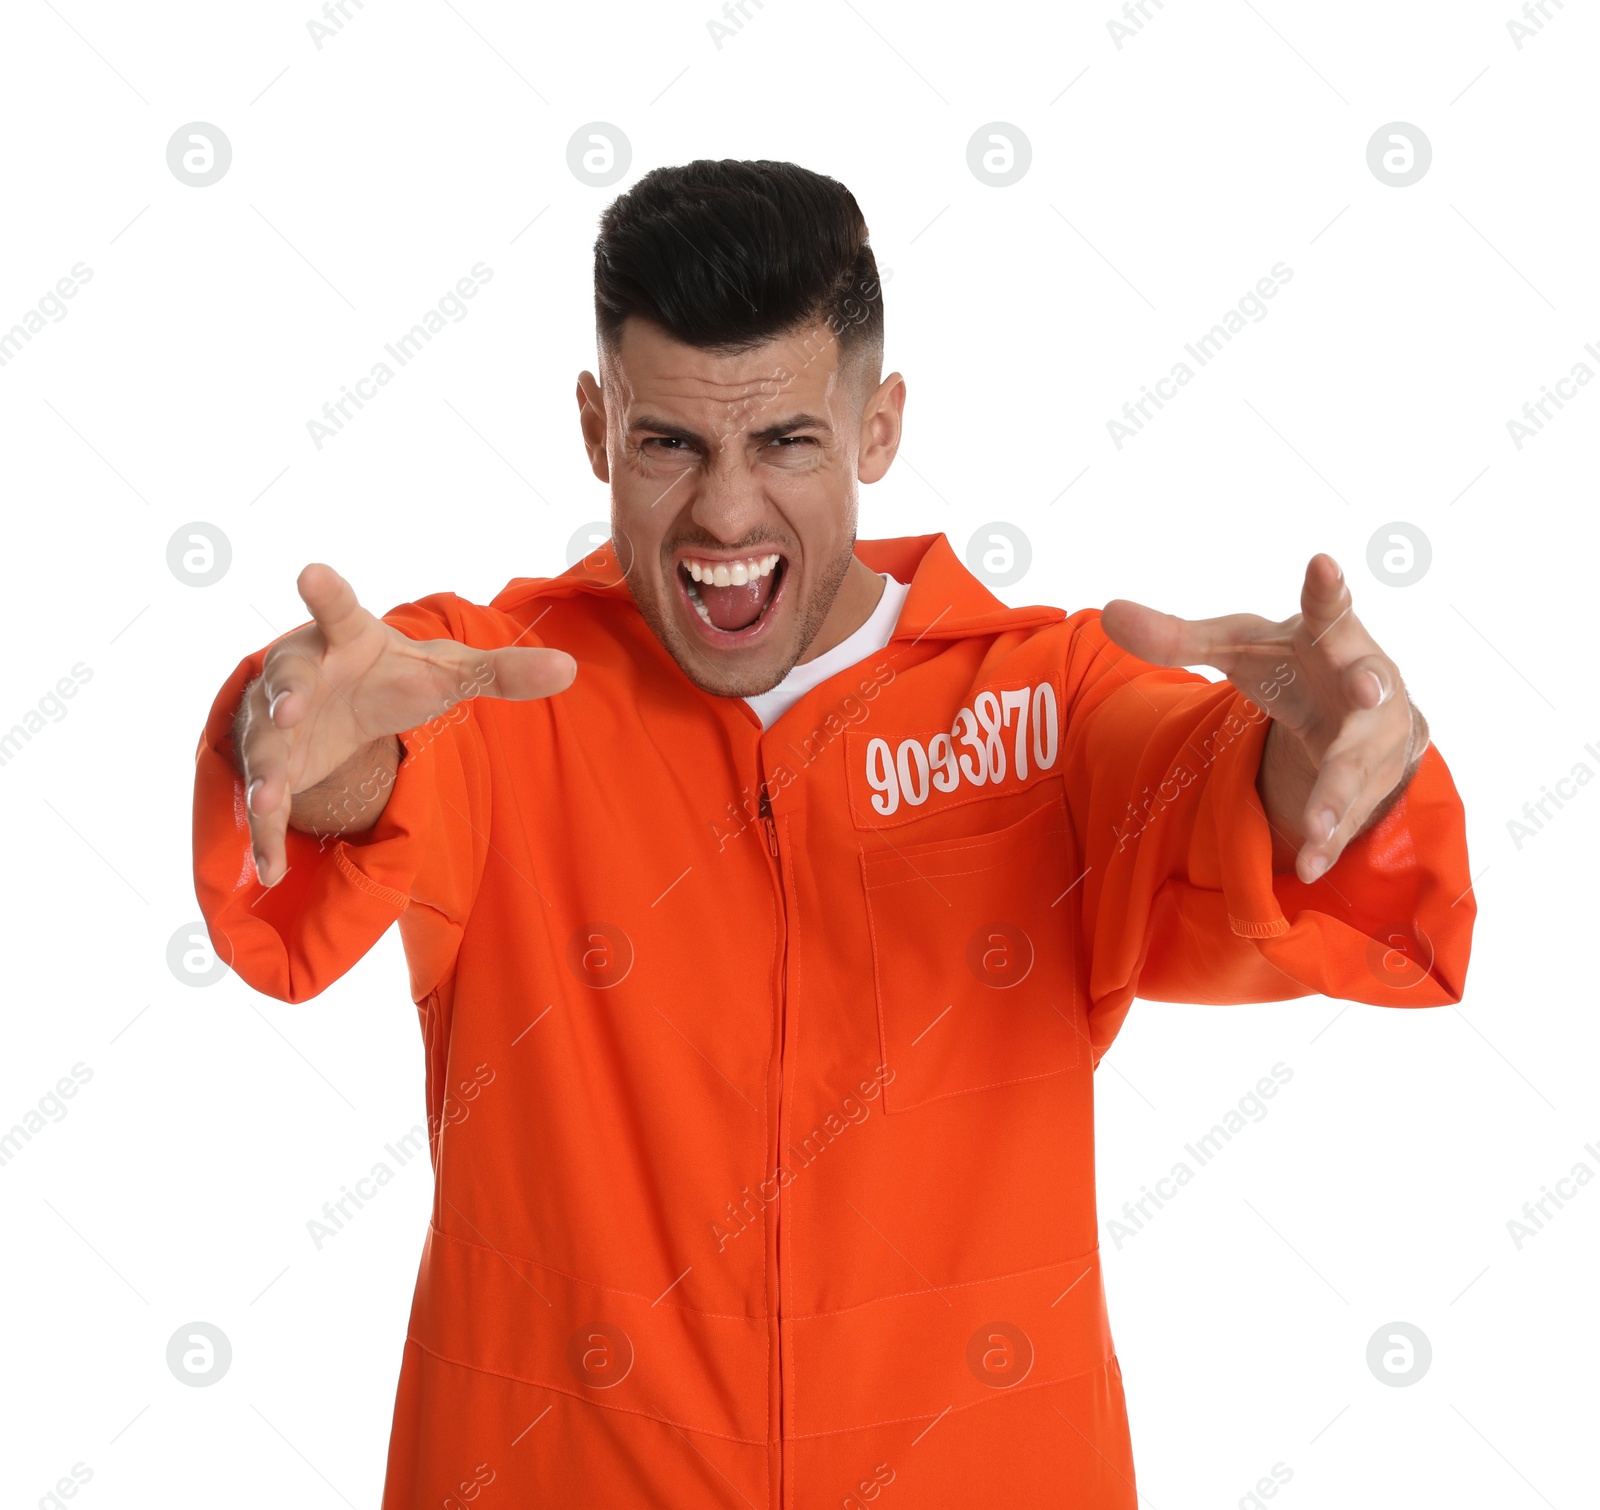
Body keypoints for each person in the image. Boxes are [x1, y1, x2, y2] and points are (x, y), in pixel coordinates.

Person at [192, 159, 1474, 1508]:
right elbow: (361, 780)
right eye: (669, 440)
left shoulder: (1040, 703)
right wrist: (292, 731)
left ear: (877, 426)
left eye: (786, 441)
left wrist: (1337, 766)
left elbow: (1225, 807)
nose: (727, 514)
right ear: (594, 425)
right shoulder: (499, 689)